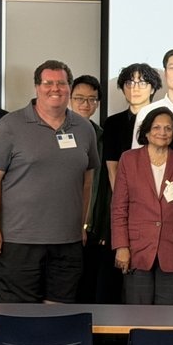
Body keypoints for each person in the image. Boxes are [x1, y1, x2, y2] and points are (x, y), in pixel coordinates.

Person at [0, 60, 99, 303]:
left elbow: (86, 181)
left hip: (68, 242)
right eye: (48, 83)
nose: (55, 88)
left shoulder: (84, 128)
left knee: (59, 315)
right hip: (19, 241)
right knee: (18, 316)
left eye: (61, 83)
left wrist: (82, 226)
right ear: (37, 87)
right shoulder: (9, 126)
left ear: (69, 87)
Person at [110, 107, 173, 305]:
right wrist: (121, 246)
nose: (162, 132)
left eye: (168, 128)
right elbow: (119, 208)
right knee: (137, 315)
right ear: (146, 131)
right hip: (136, 250)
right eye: (157, 127)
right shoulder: (129, 159)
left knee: (169, 319)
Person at [72, 74, 112, 303]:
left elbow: (103, 186)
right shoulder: (55, 133)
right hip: (60, 228)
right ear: (69, 99)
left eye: (91, 99)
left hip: (93, 226)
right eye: (79, 98)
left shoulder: (102, 137)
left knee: (89, 288)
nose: (85, 104)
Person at [103, 63, 162, 189]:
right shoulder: (112, 123)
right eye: (129, 83)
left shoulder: (162, 121)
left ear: (152, 89)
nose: (134, 89)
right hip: (124, 193)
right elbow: (112, 168)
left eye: (142, 83)